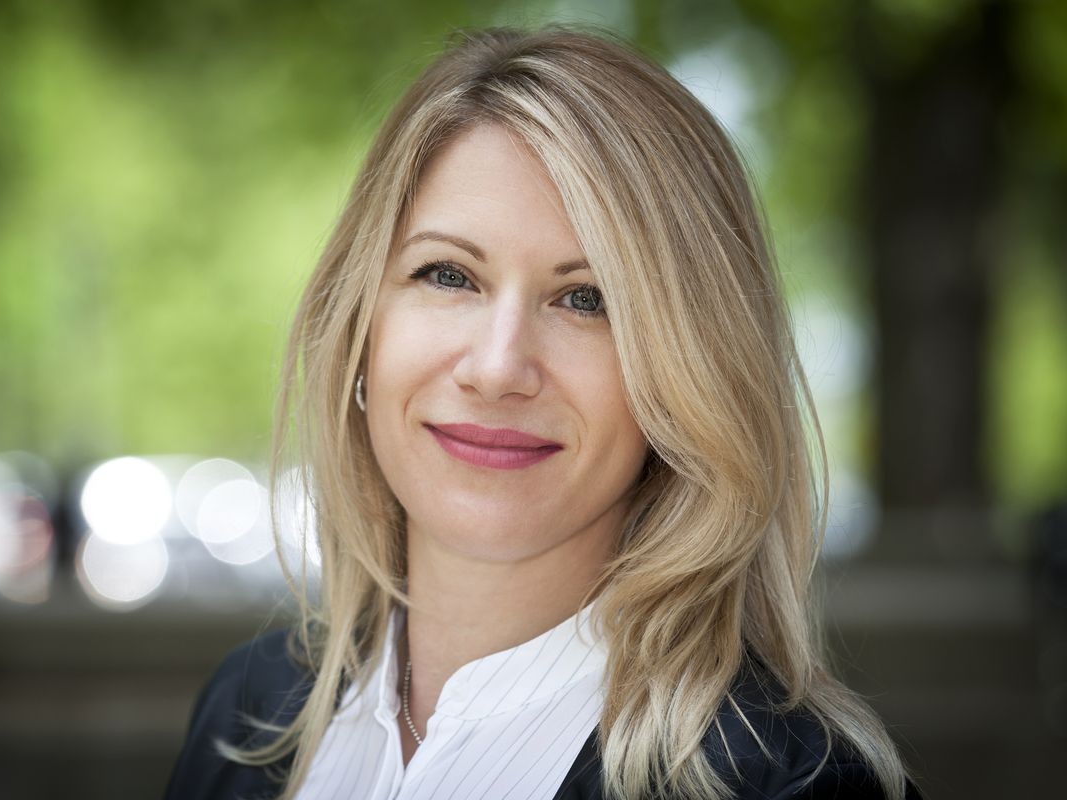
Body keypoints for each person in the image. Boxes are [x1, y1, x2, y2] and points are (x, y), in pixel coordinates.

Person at [164, 25, 922, 800]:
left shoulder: (793, 785)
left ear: (687, 375)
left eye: (586, 299)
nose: (497, 369)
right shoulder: (245, 717)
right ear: (361, 329)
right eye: (449, 275)